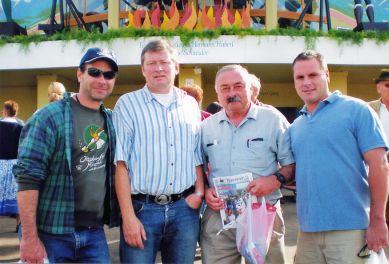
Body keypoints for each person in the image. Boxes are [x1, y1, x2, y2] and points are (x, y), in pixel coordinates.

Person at [13, 47, 120, 263]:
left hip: (94, 234)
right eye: (94, 72)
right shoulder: (49, 117)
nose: (102, 79)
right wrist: (29, 238)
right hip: (51, 234)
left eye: (109, 75)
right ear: (79, 74)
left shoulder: (111, 120)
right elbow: (27, 179)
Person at [289, 50, 389, 264]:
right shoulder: (296, 126)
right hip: (307, 231)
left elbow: (380, 164)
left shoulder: (356, 110)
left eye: (313, 75)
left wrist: (378, 220)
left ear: (327, 75)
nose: (306, 82)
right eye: (300, 77)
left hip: (351, 229)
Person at [113, 39, 204, 264]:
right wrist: (128, 217)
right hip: (143, 211)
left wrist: (199, 193)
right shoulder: (127, 104)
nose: (159, 68)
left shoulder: (190, 104)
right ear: (143, 70)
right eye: (151, 63)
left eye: (164, 61)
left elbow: (196, 155)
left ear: (176, 66)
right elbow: (120, 164)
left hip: (185, 211)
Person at [200, 64, 295, 264]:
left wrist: (276, 179)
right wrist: (206, 190)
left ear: (250, 89)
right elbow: (198, 167)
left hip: (263, 212)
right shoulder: (206, 127)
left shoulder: (272, 119)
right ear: (217, 93)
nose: (232, 93)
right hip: (220, 216)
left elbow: (293, 164)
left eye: (238, 86)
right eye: (225, 88)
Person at [368, 69, 389, 259]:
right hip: (370, 168)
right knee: (369, 213)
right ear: (379, 87)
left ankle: (384, 259)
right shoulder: (367, 109)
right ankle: (368, 257)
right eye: (387, 84)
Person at [0, 100, 23, 228]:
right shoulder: (21, 127)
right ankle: (18, 224)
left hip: (0, 164)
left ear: (4, 111)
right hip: (15, 164)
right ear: (16, 112)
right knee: (16, 196)